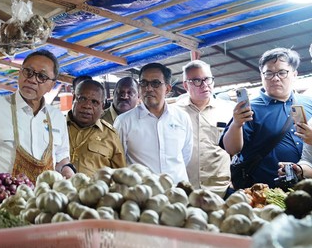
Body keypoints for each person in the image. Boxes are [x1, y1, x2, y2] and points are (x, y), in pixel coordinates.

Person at [0, 50, 74, 181]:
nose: (32, 80)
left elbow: (61, 159)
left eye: (42, 77)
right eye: (28, 72)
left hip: (45, 198)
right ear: (19, 72)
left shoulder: (57, 117)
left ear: (52, 85)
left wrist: (66, 169)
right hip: (4, 198)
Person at [222, 48, 312, 187]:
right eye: (269, 73)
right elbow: (231, 150)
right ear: (261, 76)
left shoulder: (309, 103)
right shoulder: (250, 108)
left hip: (306, 189)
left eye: (282, 72)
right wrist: (236, 124)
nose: (275, 78)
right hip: (264, 193)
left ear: (294, 75)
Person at [114, 62, 193, 183]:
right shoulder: (124, 121)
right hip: (143, 196)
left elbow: (185, 155)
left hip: (178, 193)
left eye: (155, 83)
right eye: (144, 83)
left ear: (167, 88)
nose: (148, 88)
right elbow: (118, 161)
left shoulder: (182, 118)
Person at [173, 60, 235, 196]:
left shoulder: (229, 110)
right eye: (197, 81)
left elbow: (236, 149)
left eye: (207, 79)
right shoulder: (174, 113)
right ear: (185, 85)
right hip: (185, 189)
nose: (204, 85)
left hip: (220, 190)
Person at [67, 80, 125, 175]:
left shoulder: (111, 135)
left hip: (95, 189)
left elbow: (120, 175)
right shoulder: (56, 127)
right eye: (82, 99)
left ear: (102, 106)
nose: (87, 106)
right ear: (74, 98)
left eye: (94, 102)